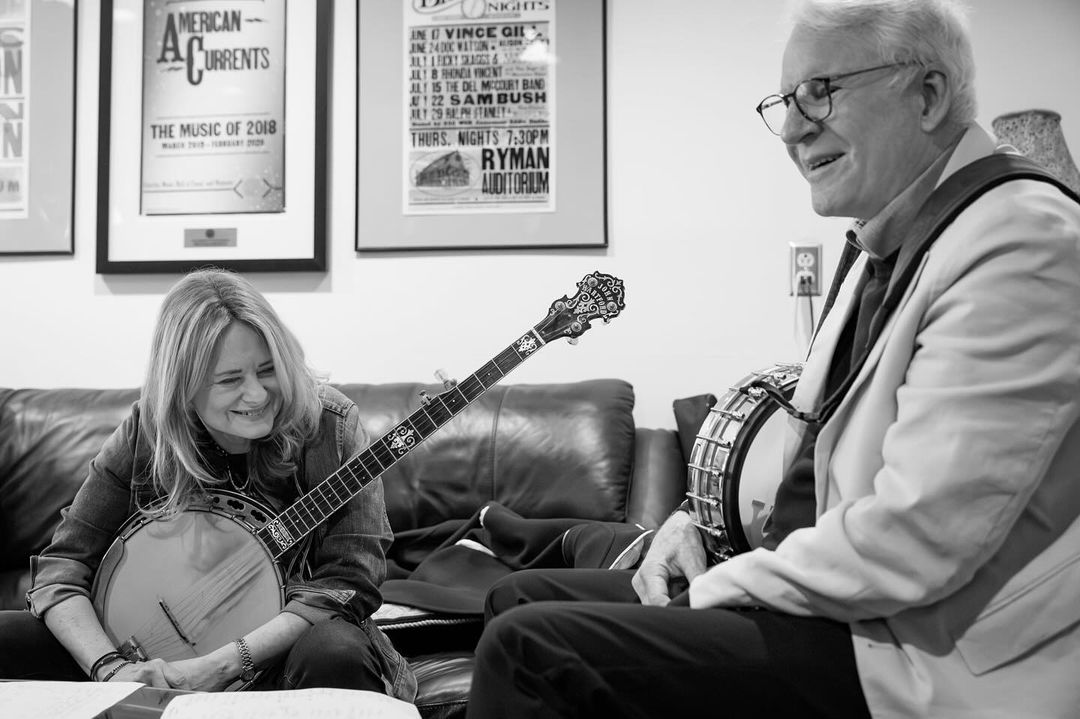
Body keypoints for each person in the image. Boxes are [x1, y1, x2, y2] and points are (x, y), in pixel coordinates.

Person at [464, 1, 1080, 717]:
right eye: (786, 101)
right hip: (866, 612)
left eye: (821, 91)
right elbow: (816, 474)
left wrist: (719, 585)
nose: (792, 129)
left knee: (530, 651)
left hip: (925, 654)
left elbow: (918, 538)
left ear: (928, 94)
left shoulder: (1024, 241)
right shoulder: (890, 239)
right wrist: (698, 530)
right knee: (518, 593)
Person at [0, 269, 417, 700]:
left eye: (268, 370)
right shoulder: (148, 431)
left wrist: (221, 665)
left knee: (335, 649)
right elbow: (61, 570)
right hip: (140, 657)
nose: (256, 395)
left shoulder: (330, 427)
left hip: (283, 660)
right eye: (230, 379)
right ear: (183, 386)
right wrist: (111, 670)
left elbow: (347, 584)